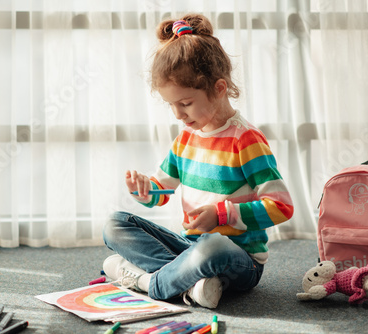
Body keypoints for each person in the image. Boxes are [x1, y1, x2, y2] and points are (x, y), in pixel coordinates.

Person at [102, 13, 294, 309]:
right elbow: (162, 191)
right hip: (189, 248)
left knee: (214, 246)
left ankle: (148, 282)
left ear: (218, 89)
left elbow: (282, 206)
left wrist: (222, 216)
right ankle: (194, 283)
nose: (178, 114)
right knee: (115, 224)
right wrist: (146, 191)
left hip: (238, 258)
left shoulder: (246, 140)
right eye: (172, 105)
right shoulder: (186, 139)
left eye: (186, 103)